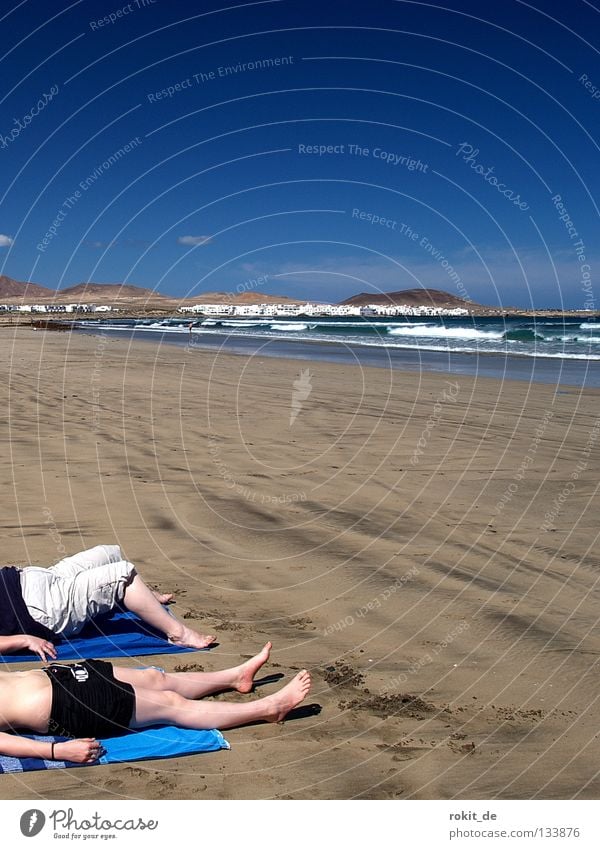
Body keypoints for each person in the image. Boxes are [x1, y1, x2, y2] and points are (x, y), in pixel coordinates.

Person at [0, 642, 311, 763]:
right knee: (170, 704)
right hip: (68, 708)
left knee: (154, 678)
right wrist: (56, 750)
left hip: (63, 676)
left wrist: (22, 640)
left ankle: (234, 677)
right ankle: (269, 709)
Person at [0, 545, 215, 659]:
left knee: (108, 553)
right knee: (123, 575)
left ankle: (149, 599)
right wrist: (25, 640)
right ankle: (179, 635)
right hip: (40, 609)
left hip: (33, 579)